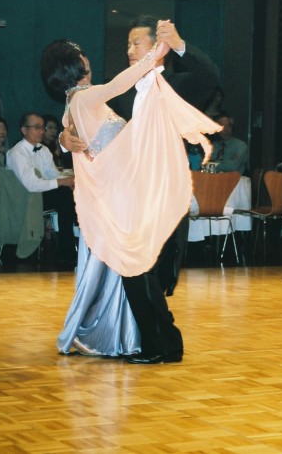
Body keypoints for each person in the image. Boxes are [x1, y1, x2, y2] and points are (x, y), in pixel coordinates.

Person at [45, 31, 218, 363]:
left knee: (143, 273)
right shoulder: (97, 94)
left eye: (137, 43)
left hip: (151, 190)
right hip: (129, 196)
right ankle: (159, 343)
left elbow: (209, 76)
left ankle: (158, 342)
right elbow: (105, 99)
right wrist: (65, 140)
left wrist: (173, 46)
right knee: (137, 272)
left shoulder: (84, 100)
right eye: (128, 43)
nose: (129, 49)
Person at [6, 112, 77, 264]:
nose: (41, 131)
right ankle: (67, 250)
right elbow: (31, 185)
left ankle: (72, 247)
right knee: (65, 197)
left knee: (71, 194)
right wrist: (62, 182)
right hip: (23, 199)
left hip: (38, 196)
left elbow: (52, 174)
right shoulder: (16, 153)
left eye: (42, 127)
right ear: (24, 130)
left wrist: (69, 182)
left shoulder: (43, 150)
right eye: (37, 127)